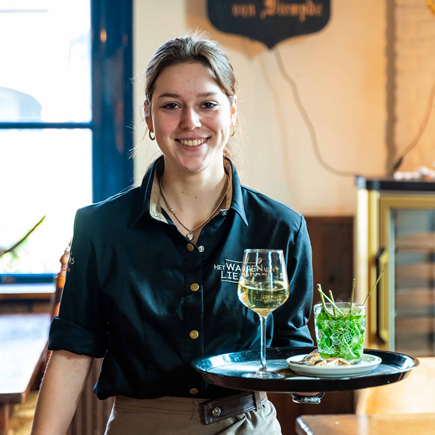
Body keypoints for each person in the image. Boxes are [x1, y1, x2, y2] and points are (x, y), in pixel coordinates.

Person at [31, 33, 316, 435]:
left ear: (232, 113)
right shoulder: (100, 229)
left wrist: (337, 366)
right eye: (171, 106)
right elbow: (72, 354)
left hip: (247, 425)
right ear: (149, 117)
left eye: (208, 104)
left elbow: (297, 352)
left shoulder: (281, 228)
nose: (190, 122)